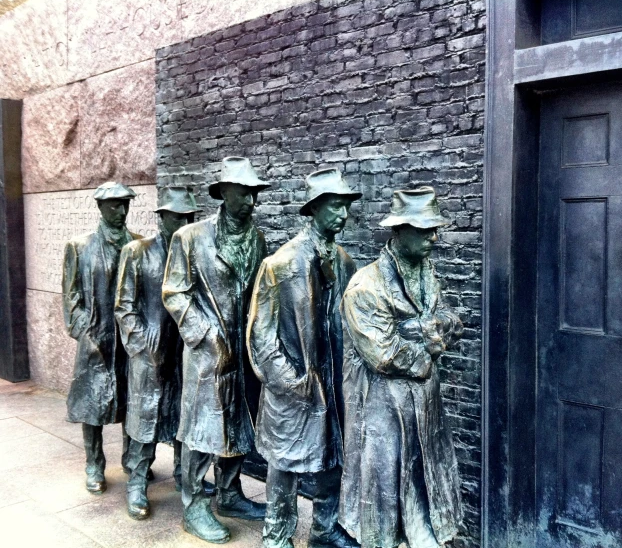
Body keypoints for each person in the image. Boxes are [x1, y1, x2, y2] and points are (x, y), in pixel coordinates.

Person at [339, 187, 463, 548]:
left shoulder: (426, 272)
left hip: (423, 403)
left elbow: (444, 319)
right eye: (425, 230)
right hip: (383, 408)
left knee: (423, 482)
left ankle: (424, 534)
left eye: (434, 229)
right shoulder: (366, 287)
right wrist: (427, 345)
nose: (434, 238)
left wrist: (433, 327)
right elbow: (383, 353)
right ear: (401, 230)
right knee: (383, 492)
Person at [247, 168, 361, 548]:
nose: (342, 215)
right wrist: (291, 383)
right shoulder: (281, 264)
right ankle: (277, 535)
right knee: (285, 463)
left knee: (334, 457)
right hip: (294, 386)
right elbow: (260, 337)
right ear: (313, 209)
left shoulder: (345, 262)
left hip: (334, 380)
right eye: (334, 207)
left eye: (345, 207)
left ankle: (324, 529)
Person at [162, 157, 269, 543]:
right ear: (224, 193)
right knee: (201, 431)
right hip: (207, 355)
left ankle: (230, 493)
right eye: (243, 193)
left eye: (254, 193)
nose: (250, 201)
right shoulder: (189, 238)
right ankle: (193, 507)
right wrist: (207, 334)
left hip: (244, 354)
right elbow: (174, 293)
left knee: (241, 426)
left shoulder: (257, 238)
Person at [115, 186, 216, 520]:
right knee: (145, 419)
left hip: (185, 352)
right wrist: (142, 345)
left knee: (182, 418)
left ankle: (181, 474)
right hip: (149, 353)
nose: (184, 221)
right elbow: (124, 307)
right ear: (162, 218)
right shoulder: (137, 251)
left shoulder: (196, 252)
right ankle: (138, 481)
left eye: (189, 216)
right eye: (177, 216)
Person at [62, 181, 140, 495]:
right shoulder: (79, 247)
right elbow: (71, 298)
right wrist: (85, 332)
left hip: (129, 339)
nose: (120, 211)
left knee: (132, 401)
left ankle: (132, 461)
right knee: (91, 404)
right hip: (96, 339)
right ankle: (94, 462)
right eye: (113, 206)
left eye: (124, 205)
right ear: (100, 207)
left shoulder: (138, 244)